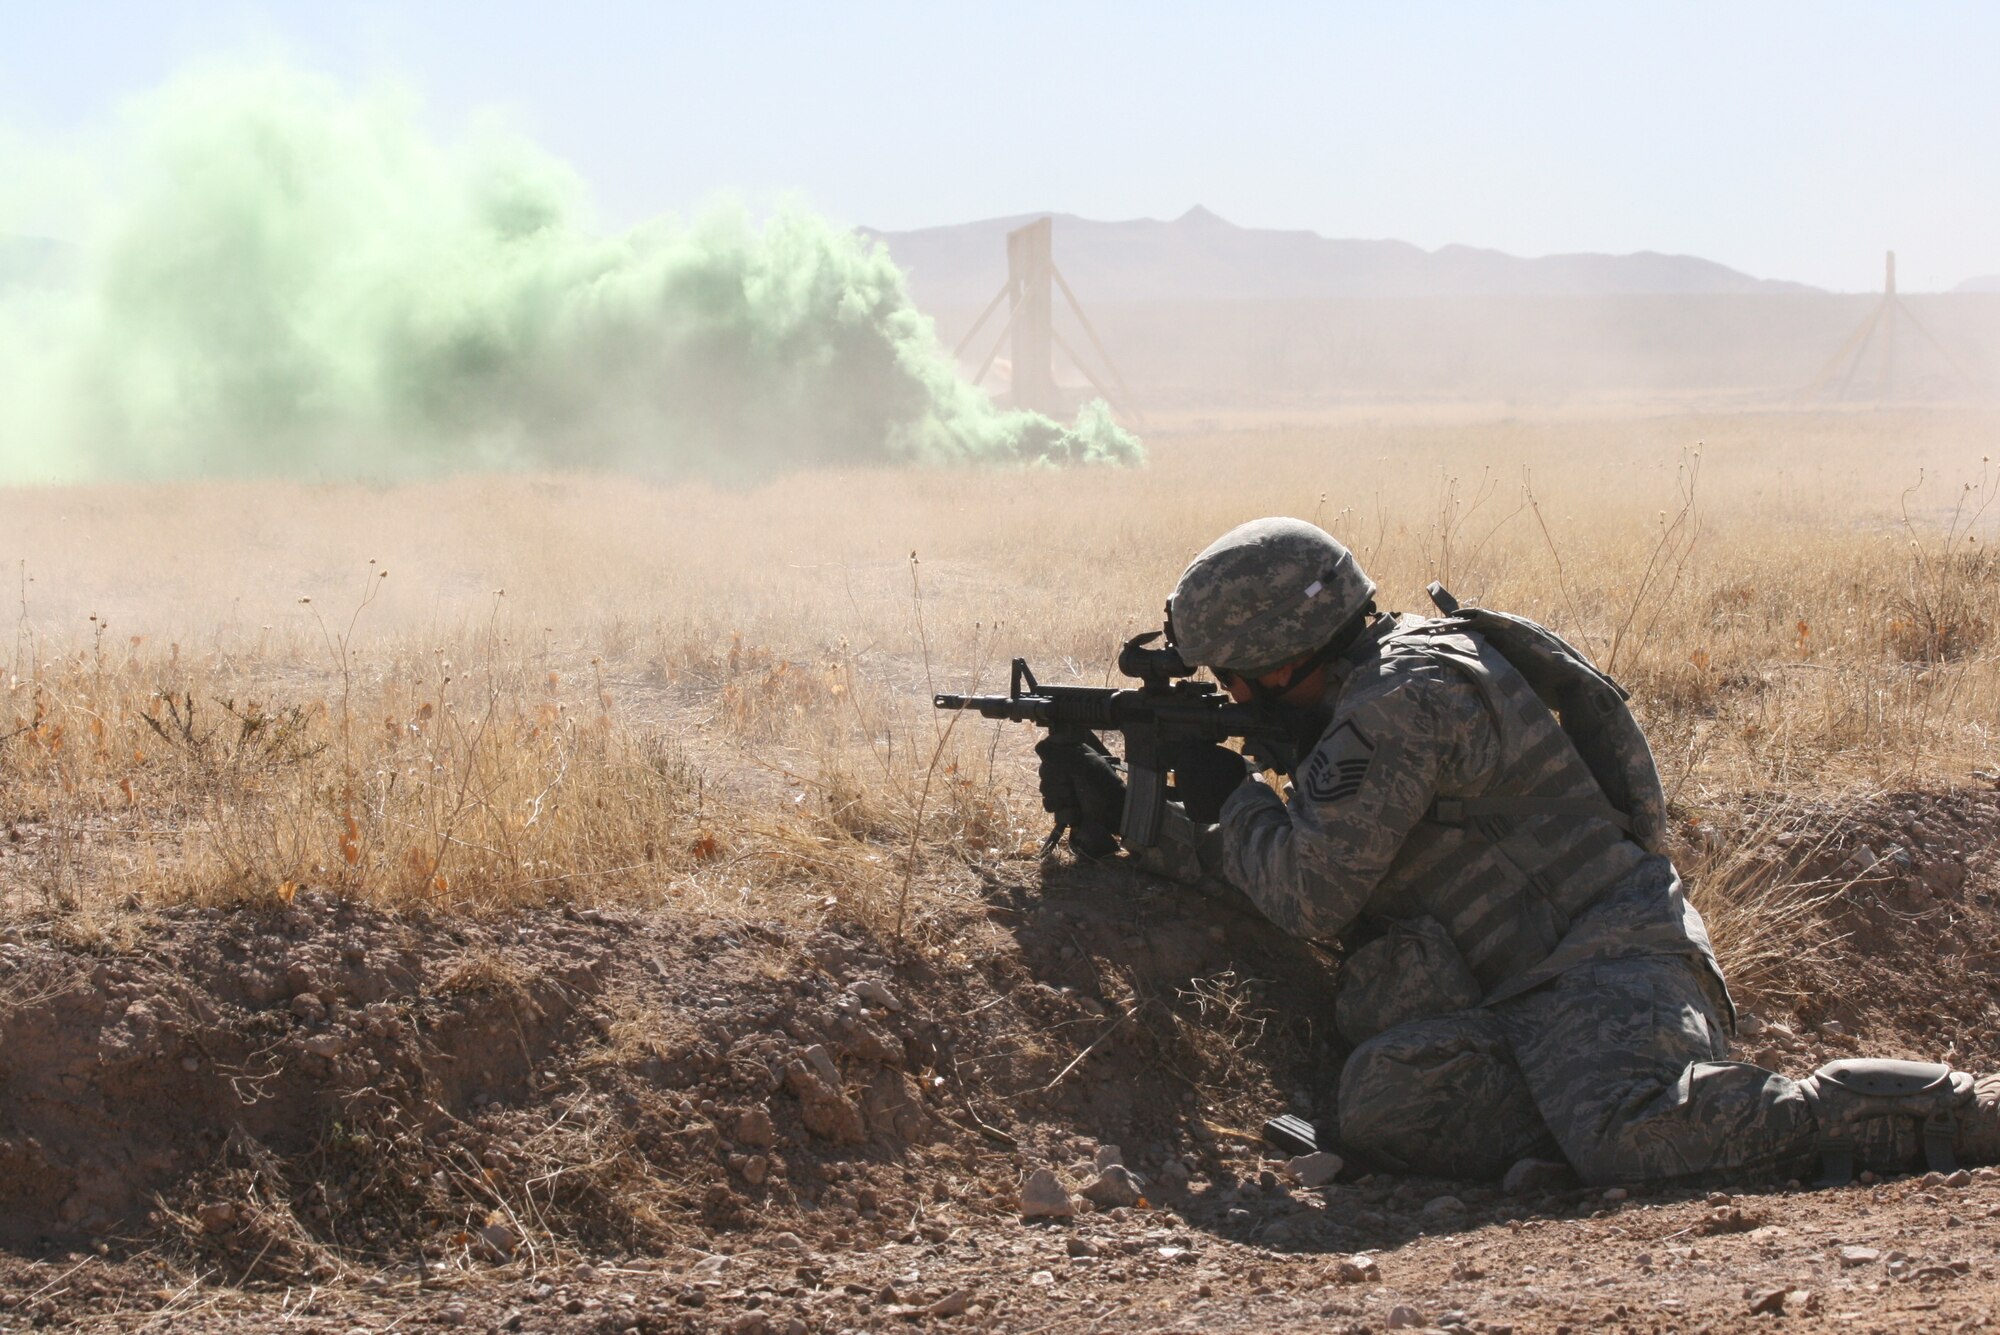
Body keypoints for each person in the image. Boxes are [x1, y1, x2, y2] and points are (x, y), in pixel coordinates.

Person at [1036, 516, 1999, 1186]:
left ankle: (1956, 1113)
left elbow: (1307, 894)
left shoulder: (1404, 698)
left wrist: (1225, 788)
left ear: (1292, 655)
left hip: (1611, 967)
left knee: (1632, 1134)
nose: (1236, 700)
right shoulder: (1364, 693)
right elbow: (1303, 856)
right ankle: (1583, 1138)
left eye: (1240, 683)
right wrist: (1134, 816)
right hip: (1520, 996)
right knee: (1380, 1100)